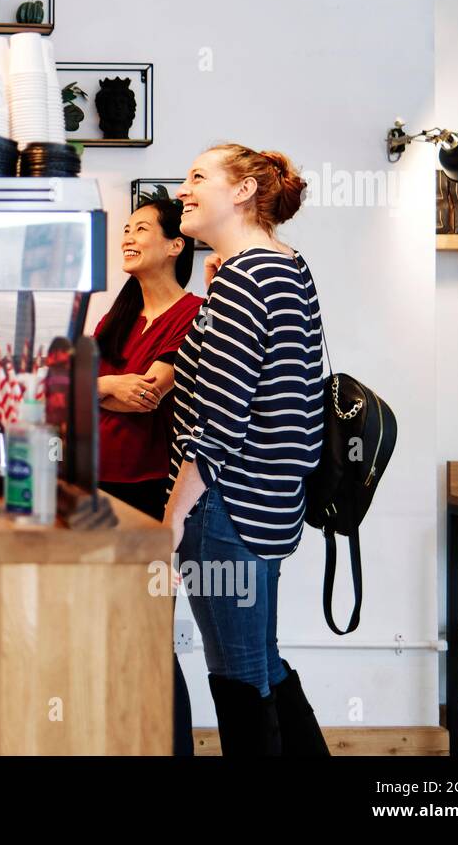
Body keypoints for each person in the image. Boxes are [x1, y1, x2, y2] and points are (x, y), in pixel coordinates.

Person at [166, 143, 330, 756]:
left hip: (224, 505)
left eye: (197, 177)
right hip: (271, 504)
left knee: (238, 678)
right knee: (260, 662)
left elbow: (218, 423)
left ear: (241, 192)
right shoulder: (287, 265)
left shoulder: (243, 279)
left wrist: (173, 516)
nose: (183, 190)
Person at [94, 195, 202, 756]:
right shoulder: (118, 318)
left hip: (145, 490)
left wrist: (103, 389)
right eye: (125, 230)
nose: (128, 238)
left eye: (141, 229)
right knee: (104, 630)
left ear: (175, 244)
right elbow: (65, 389)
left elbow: (148, 395)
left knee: (150, 633)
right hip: (93, 489)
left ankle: (172, 748)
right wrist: (109, 386)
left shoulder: (193, 313)